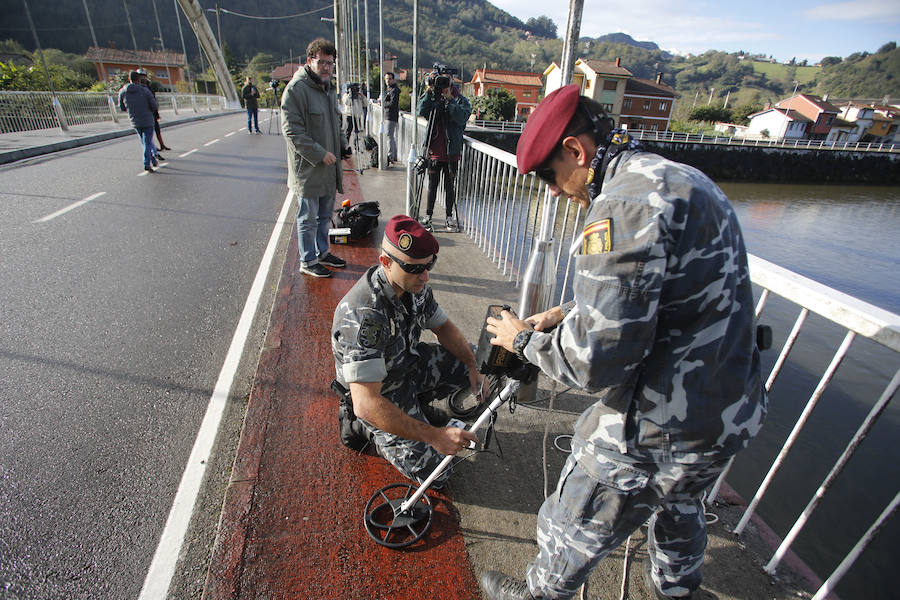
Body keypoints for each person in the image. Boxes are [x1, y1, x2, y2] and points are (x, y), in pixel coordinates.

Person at [480, 84, 767, 600]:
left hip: (658, 422)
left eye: (549, 174)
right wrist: (568, 311)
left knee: (573, 519)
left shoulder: (620, 208)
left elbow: (595, 364)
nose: (550, 189)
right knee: (681, 514)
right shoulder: (679, 177)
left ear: (576, 151)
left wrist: (522, 340)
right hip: (725, 408)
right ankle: (678, 593)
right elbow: (676, 290)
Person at [331, 215, 483, 487]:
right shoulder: (364, 315)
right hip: (379, 393)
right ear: (386, 263)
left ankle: (417, 406)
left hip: (407, 363)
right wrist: (434, 436)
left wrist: (472, 365)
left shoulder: (414, 286)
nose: (425, 276)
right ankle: (364, 430)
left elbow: (444, 327)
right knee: (439, 474)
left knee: (481, 361)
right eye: (415, 268)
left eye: (429, 266)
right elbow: (367, 402)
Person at [281, 38, 350, 278]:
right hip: (309, 168)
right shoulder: (296, 90)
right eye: (321, 62)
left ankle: (322, 252)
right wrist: (320, 154)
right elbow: (292, 131)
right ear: (309, 61)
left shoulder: (328, 88)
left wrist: (343, 145)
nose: (326, 67)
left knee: (324, 216)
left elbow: (336, 122)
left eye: (330, 63)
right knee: (307, 217)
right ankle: (307, 260)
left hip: (329, 167)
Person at [416, 76, 471, 231]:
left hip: (451, 152)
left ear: (451, 83)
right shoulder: (433, 97)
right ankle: (428, 216)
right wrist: (428, 92)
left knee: (450, 187)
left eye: (445, 83)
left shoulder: (460, 100)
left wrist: (450, 100)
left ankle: (449, 217)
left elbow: (462, 118)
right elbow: (421, 111)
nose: (442, 87)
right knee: (432, 186)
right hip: (434, 150)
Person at [118, 70, 159, 172]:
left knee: (144, 142)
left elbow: (122, 108)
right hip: (147, 120)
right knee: (148, 142)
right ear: (139, 79)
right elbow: (154, 106)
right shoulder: (145, 91)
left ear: (129, 79)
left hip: (134, 120)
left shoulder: (123, 91)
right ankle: (147, 163)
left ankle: (152, 160)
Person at [138, 70, 169, 153]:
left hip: (152, 112)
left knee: (157, 129)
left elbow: (153, 100)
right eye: (141, 76)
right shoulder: (138, 88)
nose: (143, 77)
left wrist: (156, 112)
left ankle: (162, 145)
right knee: (148, 132)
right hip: (145, 114)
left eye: (144, 75)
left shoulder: (148, 86)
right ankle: (153, 149)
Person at [381, 72, 400, 164]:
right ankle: (393, 155)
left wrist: (383, 104)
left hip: (391, 116)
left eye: (389, 79)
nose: (387, 81)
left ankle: (390, 155)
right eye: (386, 79)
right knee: (390, 136)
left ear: (393, 79)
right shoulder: (390, 89)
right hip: (389, 115)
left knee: (389, 136)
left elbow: (393, 103)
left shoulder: (394, 90)